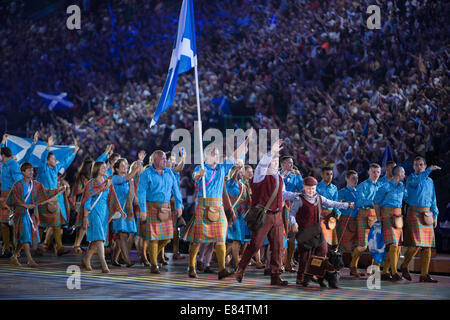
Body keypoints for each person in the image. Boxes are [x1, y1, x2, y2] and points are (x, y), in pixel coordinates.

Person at [182, 133, 250, 280]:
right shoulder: (199, 168)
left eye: (217, 154)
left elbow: (234, 156)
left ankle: (222, 270)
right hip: (203, 206)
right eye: (213, 154)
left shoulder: (221, 168)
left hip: (218, 207)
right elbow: (195, 178)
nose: (216, 156)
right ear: (206, 157)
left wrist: (246, 141)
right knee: (197, 239)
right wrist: (199, 175)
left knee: (220, 239)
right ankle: (192, 267)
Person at [235, 139, 300, 286]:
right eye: (273, 160)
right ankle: (241, 268)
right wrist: (271, 152)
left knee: (277, 247)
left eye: (277, 160)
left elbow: (283, 194)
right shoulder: (260, 174)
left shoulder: (279, 178)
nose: (276, 162)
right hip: (263, 215)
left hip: (277, 216)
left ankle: (275, 276)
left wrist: (298, 195)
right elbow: (262, 164)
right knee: (255, 244)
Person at [293, 176, 353, 288]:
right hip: (304, 232)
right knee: (304, 257)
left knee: (323, 252)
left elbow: (332, 203)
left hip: (317, 230)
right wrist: (293, 223)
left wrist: (346, 205)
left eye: (313, 188)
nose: (311, 190)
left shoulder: (319, 198)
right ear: (304, 187)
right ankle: (300, 277)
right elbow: (292, 214)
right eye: (308, 188)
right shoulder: (298, 199)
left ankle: (317, 275)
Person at [8, 162, 65, 267]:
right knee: (25, 235)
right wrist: (25, 205)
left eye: (32, 170)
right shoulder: (17, 185)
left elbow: (45, 193)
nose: (31, 172)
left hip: (31, 214)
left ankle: (14, 256)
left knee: (25, 237)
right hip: (21, 214)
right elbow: (12, 199)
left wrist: (58, 190)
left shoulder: (37, 185)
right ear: (23, 172)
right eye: (28, 170)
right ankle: (30, 260)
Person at [137, 150, 182, 274]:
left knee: (168, 237)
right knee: (153, 239)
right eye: (162, 159)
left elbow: (176, 189)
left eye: (165, 159)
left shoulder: (169, 173)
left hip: (166, 208)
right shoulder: (146, 174)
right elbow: (141, 193)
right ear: (155, 160)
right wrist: (143, 210)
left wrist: (179, 205)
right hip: (151, 207)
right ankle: (154, 265)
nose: (165, 161)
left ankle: (152, 254)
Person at [400, 157, 441, 283]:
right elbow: (418, 181)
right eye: (416, 165)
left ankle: (424, 275)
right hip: (414, 212)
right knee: (415, 244)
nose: (419, 167)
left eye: (421, 165)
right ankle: (404, 265)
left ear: (424, 165)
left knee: (427, 247)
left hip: (427, 213)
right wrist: (428, 170)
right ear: (413, 167)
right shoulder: (412, 178)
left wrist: (435, 215)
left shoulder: (430, 181)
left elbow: (433, 199)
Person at [36, 135, 78, 256]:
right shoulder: (43, 169)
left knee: (56, 223)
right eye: (53, 159)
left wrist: (74, 151)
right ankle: (37, 246)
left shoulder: (55, 170)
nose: (55, 161)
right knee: (41, 225)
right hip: (43, 199)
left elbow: (66, 162)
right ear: (48, 161)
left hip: (53, 200)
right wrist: (48, 147)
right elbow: (43, 158)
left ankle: (59, 247)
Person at [81, 161, 126, 273]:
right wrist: (85, 216)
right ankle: (103, 263)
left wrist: (120, 210)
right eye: (102, 167)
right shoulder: (91, 183)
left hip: (104, 213)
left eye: (106, 167)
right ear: (96, 169)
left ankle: (87, 259)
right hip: (94, 212)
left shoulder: (108, 182)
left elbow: (113, 197)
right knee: (100, 237)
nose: (105, 169)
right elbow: (87, 200)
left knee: (96, 240)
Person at [0, 132, 36, 257]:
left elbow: (18, 183)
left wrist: (10, 198)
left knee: (13, 224)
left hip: (10, 196)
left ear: (3, 156)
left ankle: (16, 250)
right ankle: (7, 248)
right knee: (4, 223)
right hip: (3, 195)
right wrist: (3, 141)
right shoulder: (4, 164)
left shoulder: (13, 165)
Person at [373, 166, 408, 282]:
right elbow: (376, 203)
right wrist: (379, 218)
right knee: (392, 245)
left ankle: (385, 272)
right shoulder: (385, 187)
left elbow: (408, 198)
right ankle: (394, 273)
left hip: (398, 217)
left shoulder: (402, 186)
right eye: (403, 172)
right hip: (387, 215)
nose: (405, 174)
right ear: (398, 173)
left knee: (397, 246)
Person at [349, 163, 381, 277]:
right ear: (368, 172)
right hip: (364, 214)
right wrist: (372, 202)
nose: (375, 174)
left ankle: (372, 269)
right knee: (363, 245)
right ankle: (353, 266)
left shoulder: (380, 186)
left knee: (376, 245)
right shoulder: (363, 185)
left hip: (376, 215)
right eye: (373, 172)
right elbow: (358, 202)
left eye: (377, 172)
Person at [110, 158, 142, 267]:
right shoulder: (115, 178)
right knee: (122, 235)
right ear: (117, 169)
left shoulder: (129, 181)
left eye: (126, 165)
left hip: (127, 210)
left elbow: (132, 190)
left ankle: (114, 259)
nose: (126, 167)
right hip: (118, 210)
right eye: (123, 165)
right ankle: (126, 259)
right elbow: (128, 177)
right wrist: (137, 168)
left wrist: (139, 164)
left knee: (122, 236)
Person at [224, 165, 251, 271]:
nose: (241, 174)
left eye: (241, 172)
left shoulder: (243, 185)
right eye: (239, 172)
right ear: (234, 173)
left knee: (238, 240)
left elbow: (246, 199)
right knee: (236, 240)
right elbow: (226, 199)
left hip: (240, 216)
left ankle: (231, 261)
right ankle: (236, 263)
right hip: (231, 215)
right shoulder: (229, 184)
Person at [280, 155, 303, 273]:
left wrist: (299, 177)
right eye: (289, 163)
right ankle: (279, 263)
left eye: (292, 162)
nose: (291, 165)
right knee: (280, 236)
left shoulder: (295, 176)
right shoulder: (278, 176)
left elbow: (302, 189)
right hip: (281, 207)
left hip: (293, 208)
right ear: (283, 164)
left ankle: (289, 263)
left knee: (293, 236)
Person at [70, 157, 94, 254]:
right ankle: (77, 245)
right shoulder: (82, 177)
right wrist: (89, 189)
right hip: (81, 203)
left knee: (83, 225)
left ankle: (79, 244)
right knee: (83, 225)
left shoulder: (90, 177)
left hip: (88, 202)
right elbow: (77, 190)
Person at [316, 166, 342, 250]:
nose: (330, 176)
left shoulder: (334, 188)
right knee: (322, 240)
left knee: (332, 242)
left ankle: (328, 260)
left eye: (331, 174)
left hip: (331, 217)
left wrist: (337, 213)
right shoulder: (317, 187)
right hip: (320, 216)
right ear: (322, 175)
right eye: (327, 174)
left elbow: (335, 202)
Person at [337, 170, 359, 254]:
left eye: (357, 178)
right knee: (344, 243)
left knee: (355, 244)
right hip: (345, 220)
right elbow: (336, 206)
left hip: (357, 220)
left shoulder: (359, 192)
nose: (355, 180)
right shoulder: (342, 192)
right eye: (353, 178)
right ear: (347, 179)